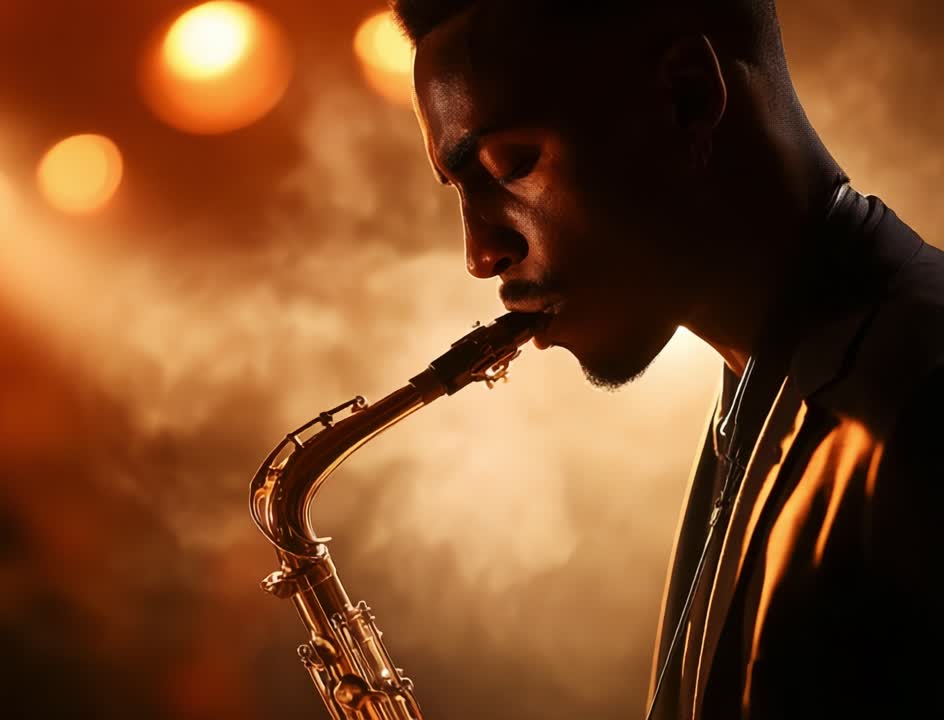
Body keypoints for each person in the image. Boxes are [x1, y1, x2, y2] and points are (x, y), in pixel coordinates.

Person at [390, 0, 944, 717]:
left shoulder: (925, 403)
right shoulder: (758, 403)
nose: (480, 255)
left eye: (513, 164)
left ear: (688, 97)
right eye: (461, 193)